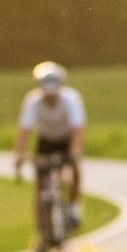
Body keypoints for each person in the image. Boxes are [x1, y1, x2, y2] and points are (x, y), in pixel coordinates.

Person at [12, 61, 86, 226]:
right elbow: (24, 131)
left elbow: (78, 130)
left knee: (74, 168)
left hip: (66, 139)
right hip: (46, 140)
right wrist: (19, 156)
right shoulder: (32, 101)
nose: (50, 96)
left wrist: (74, 152)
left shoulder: (71, 99)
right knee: (41, 186)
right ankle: (42, 231)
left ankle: (75, 206)